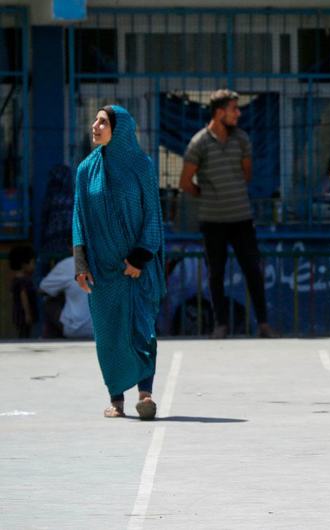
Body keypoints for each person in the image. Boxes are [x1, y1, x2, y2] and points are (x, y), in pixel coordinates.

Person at [72, 105, 165, 420]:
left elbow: (153, 212)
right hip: (102, 269)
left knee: (142, 330)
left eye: (103, 121)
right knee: (109, 333)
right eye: (95, 120)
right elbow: (78, 219)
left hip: (136, 269)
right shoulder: (86, 170)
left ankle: (145, 395)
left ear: (119, 129)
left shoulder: (142, 166)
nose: (94, 126)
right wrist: (81, 264)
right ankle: (117, 399)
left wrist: (140, 256)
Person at [178, 89, 276, 339]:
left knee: (252, 270)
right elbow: (185, 181)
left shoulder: (241, 139)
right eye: (234, 109)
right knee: (216, 273)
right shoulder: (199, 142)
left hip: (241, 217)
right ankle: (220, 324)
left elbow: (246, 174)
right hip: (212, 220)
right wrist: (208, 194)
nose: (238, 114)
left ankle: (263, 323)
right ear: (219, 112)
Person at [39, 256, 94, 338]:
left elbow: (42, 289)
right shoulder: (109, 262)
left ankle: (48, 337)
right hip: (106, 329)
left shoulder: (69, 264)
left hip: (76, 328)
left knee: (49, 300)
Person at [8, 245, 36, 338]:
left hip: (18, 313)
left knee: (22, 333)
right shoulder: (24, 281)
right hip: (23, 314)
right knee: (25, 334)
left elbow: (12, 296)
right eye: (32, 263)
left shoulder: (15, 280)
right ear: (24, 264)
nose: (34, 266)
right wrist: (27, 314)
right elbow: (23, 296)